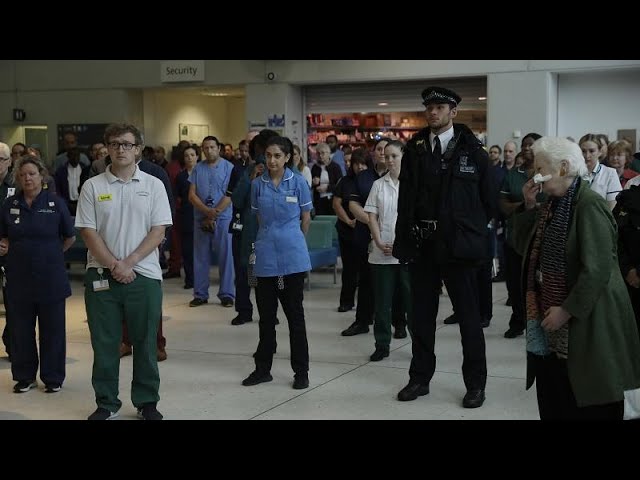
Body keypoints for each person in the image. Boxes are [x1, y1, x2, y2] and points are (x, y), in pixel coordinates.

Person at [512, 136, 640, 419]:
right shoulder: (550, 204)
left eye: (541, 168)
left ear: (563, 167)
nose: (535, 175)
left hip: (587, 321)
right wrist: (529, 204)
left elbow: (598, 269)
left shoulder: (589, 205)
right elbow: (523, 248)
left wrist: (566, 310)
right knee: (555, 394)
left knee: (586, 399)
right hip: (551, 320)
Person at [393, 86, 495, 408]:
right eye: (429, 107)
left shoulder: (473, 151)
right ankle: (419, 379)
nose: (433, 112)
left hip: (458, 248)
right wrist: (403, 240)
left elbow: (489, 201)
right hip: (423, 245)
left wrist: (470, 235)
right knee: (421, 318)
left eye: (439, 107)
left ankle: (475, 384)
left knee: (469, 319)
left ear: (453, 112)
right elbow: (405, 199)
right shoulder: (415, 149)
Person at [75, 124, 172, 420]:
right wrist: (113, 265)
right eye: (115, 144)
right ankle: (106, 403)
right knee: (105, 343)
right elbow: (88, 232)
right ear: (107, 148)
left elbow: (158, 231)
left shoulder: (154, 185)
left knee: (145, 342)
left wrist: (129, 262)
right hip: (101, 276)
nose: (121, 149)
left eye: (127, 144)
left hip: (144, 276)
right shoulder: (93, 186)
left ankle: (147, 401)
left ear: (138, 149)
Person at [242, 136, 312, 390]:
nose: (272, 160)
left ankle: (301, 372)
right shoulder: (257, 184)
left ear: (287, 157)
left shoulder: (299, 182)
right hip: (265, 258)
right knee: (266, 318)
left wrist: (292, 240)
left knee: (295, 318)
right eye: (269, 155)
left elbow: (306, 218)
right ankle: (263, 369)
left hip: (292, 258)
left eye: (277, 156)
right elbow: (259, 218)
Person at [0, 155, 75, 393]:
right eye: (22, 175)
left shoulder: (55, 203)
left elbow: (69, 237)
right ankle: (25, 377)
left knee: (53, 330)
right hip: (18, 277)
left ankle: (53, 377)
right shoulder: (10, 204)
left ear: (41, 176)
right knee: (20, 330)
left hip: (50, 277)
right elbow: (3, 236)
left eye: (31, 174)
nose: (27, 179)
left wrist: (51, 254)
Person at [364, 140, 412, 361]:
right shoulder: (378, 185)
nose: (390, 160)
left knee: (412, 302)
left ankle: (419, 346)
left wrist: (402, 243)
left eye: (395, 156)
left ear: (403, 156)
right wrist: (378, 240)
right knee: (382, 304)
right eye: (387, 156)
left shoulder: (413, 183)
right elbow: (372, 216)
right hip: (381, 252)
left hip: (406, 253)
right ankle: (382, 344)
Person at [188, 136, 235, 308]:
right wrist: (206, 212)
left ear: (219, 148)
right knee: (200, 257)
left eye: (212, 147)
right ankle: (200, 294)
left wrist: (214, 214)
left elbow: (230, 195)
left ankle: (227, 294)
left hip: (223, 217)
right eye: (205, 148)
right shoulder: (197, 169)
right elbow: (192, 195)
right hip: (201, 217)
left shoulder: (229, 168)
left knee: (226, 257)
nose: (209, 151)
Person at [0, 142, 15, 360]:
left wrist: (11, 241)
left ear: (9, 161)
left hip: (11, 251)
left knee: (13, 304)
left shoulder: (18, 185)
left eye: (1, 159)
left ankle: (13, 345)